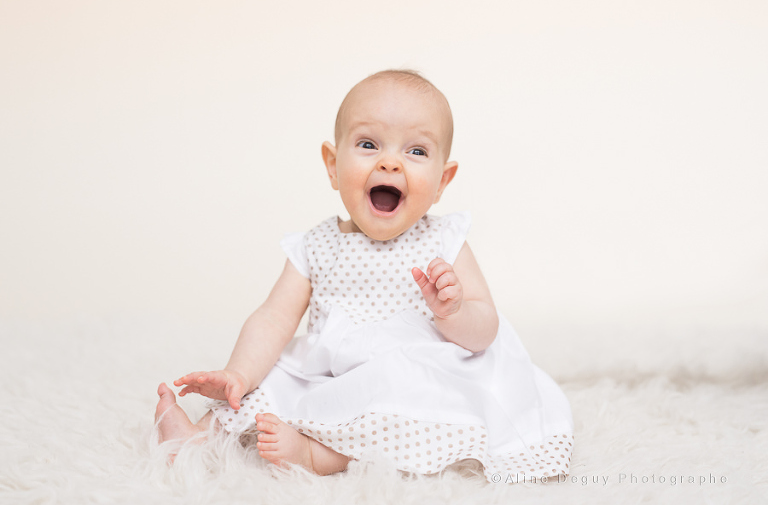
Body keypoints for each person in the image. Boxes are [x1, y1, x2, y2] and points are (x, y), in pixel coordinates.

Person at [154, 69, 573, 481]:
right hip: (332, 372)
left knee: (401, 390)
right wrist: (238, 373)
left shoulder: (444, 240)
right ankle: (198, 438)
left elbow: (485, 331)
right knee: (272, 376)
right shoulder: (315, 246)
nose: (390, 162)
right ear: (333, 166)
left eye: (416, 152)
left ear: (442, 181)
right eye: (369, 144)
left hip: (411, 373)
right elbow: (273, 318)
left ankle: (320, 455)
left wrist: (454, 310)